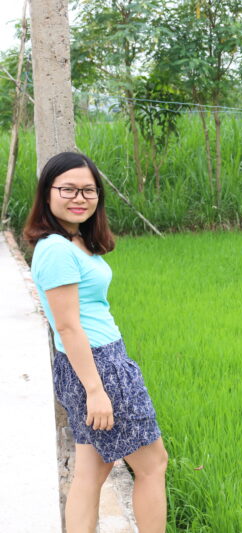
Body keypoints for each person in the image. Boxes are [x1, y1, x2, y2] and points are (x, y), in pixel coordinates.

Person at [23, 152, 168, 533]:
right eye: (68, 189)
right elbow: (68, 327)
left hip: (96, 363)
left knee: (91, 472)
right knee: (153, 465)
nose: (79, 197)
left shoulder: (72, 241)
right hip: (98, 366)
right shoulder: (56, 249)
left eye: (88, 190)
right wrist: (96, 390)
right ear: (48, 193)